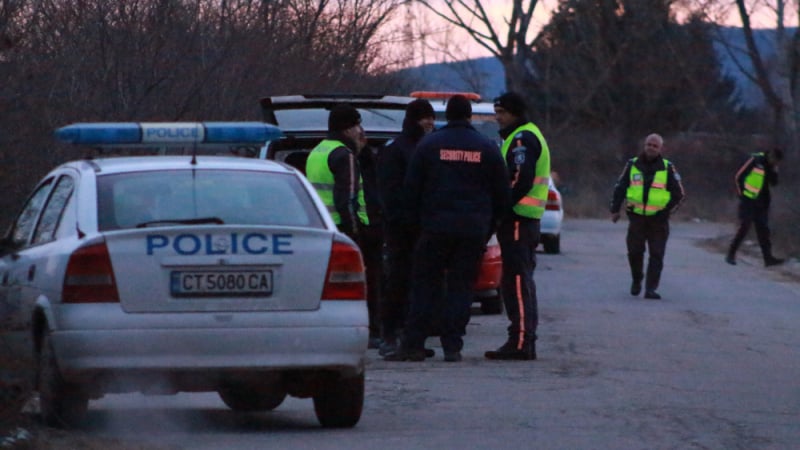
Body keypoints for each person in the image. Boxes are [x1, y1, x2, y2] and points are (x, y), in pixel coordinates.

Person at [385, 95, 510, 362]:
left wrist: (416, 226)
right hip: (473, 230)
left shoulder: (429, 145)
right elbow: (502, 194)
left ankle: (414, 344)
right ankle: (453, 345)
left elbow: (411, 190)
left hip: (434, 229)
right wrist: (488, 227)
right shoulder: (486, 147)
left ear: (448, 116)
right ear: (469, 117)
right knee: (461, 287)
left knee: (425, 285)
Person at [305, 104, 381, 345]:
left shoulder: (317, 151)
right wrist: (355, 234)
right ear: (347, 128)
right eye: (357, 125)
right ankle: (369, 332)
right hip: (344, 229)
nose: (360, 130)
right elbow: (346, 199)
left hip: (322, 229)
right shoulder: (343, 155)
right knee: (360, 283)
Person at [484, 92, 549, 361]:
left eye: (501, 112)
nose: (497, 118)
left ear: (514, 112)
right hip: (523, 219)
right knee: (519, 279)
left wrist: (500, 209)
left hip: (518, 219)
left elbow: (520, 180)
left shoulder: (522, 138)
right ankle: (523, 338)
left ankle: (521, 340)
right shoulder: (521, 135)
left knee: (517, 280)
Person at [375, 99, 436, 356]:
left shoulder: (428, 147)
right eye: (425, 118)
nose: (430, 123)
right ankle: (390, 336)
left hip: (423, 228)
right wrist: (399, 222)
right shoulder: (396, 149)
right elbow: (388, 193)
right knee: (398, 283)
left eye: (432, 118)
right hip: (401, 230)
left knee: (419, 285)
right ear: (414, 120)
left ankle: (412, 339)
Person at [610, 133, 685, 300]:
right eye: (649, 144)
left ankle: (651, 289)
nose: (651, 148)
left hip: (659, 220)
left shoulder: (668, 168)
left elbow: (679, 194)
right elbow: (620, 187)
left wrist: (666, 212)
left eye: (655, 146)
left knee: (656, 255)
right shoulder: (632, 165)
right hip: (637, 218)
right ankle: (637, 279)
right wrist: (615, 209)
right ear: (644, 146)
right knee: (634, 252)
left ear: (660, 149)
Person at [726, 147, 784, 267]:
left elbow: (774, 183)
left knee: (763, 230)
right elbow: (739, 177)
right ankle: (731, 254)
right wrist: (742, 195)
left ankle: (768, 259)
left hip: (762, 202)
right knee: (745, 226)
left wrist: (775, 170)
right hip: (748, 200)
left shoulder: (772, 166)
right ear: (771, 156)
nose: (775, 163)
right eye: (775, 161)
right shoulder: (756, 160)